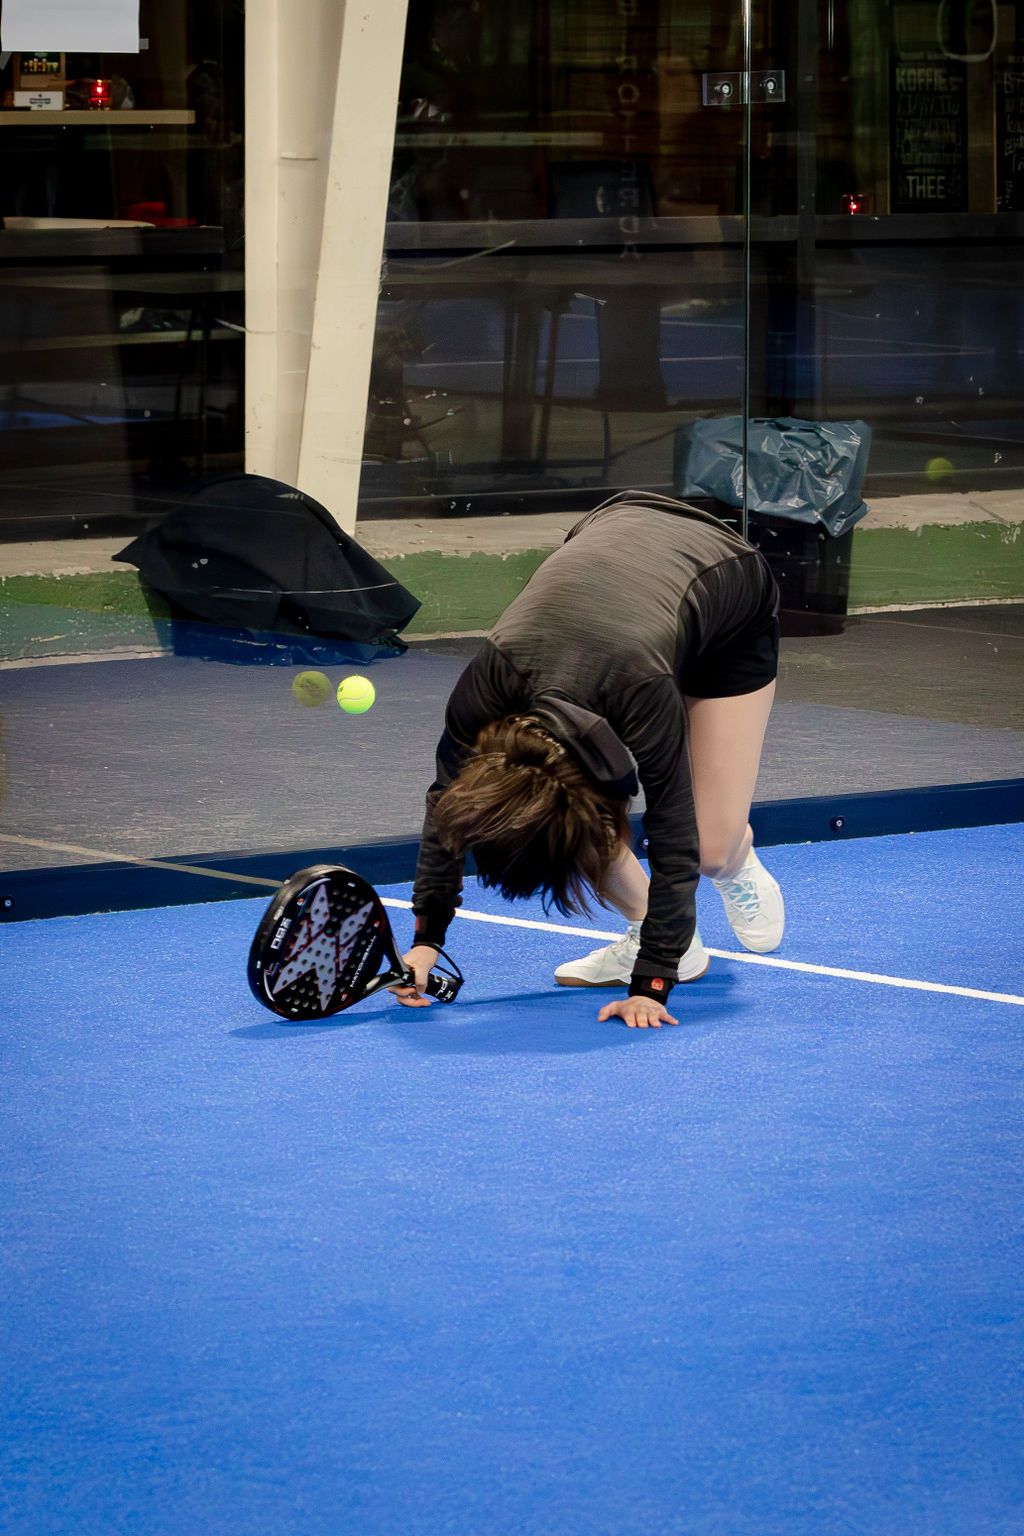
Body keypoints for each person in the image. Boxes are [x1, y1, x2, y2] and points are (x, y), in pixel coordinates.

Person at [394, 490, 785, 1028]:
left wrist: (651, 984)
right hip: (615, 547)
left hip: (727, 586)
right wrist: (427, 941)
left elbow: (673, 835)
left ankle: (737, 858)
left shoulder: (640, 692)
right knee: (560, 826)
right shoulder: (490, 681)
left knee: (711, 849)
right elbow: (446, 804)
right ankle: (660, 935)